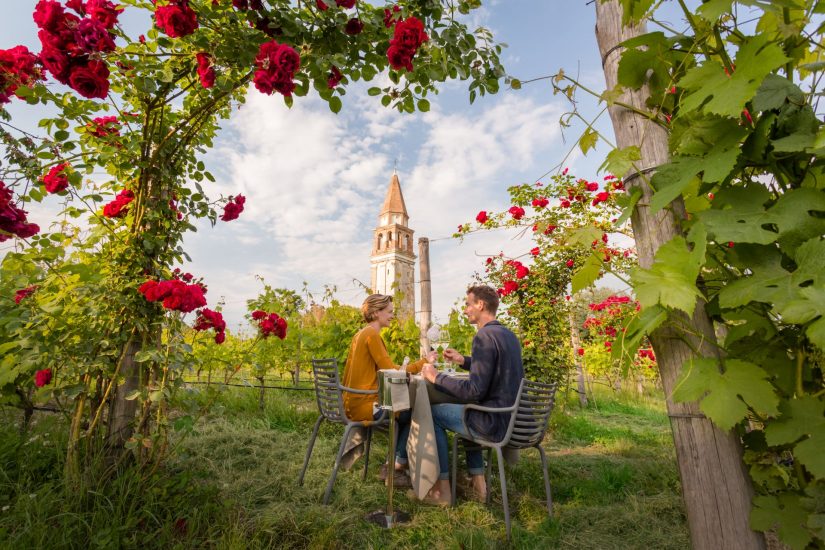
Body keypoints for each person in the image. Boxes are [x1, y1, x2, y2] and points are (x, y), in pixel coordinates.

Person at [420, 285, 524, 505]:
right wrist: (463, 361)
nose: (465, 310)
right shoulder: (508, 335)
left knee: (433, 412)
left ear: (480, 305)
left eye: (468, 304)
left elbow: (474, 391)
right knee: (468, 408)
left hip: (491, 423)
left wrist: (436, 377)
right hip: (511, 419)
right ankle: (478, 483)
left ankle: (442, 490)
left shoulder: (484, 336)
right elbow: (493, 370)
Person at [342, 294, 436, 486]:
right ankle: (394, 468)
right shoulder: (372, 335)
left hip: (351, 402)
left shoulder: (360, 334)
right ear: (376, 313)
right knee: (413, 415)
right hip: (364, 406)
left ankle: (395, 464)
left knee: (403, 411)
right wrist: (425, 362)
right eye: (390, 312)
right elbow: (393, 373)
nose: (393, 315)